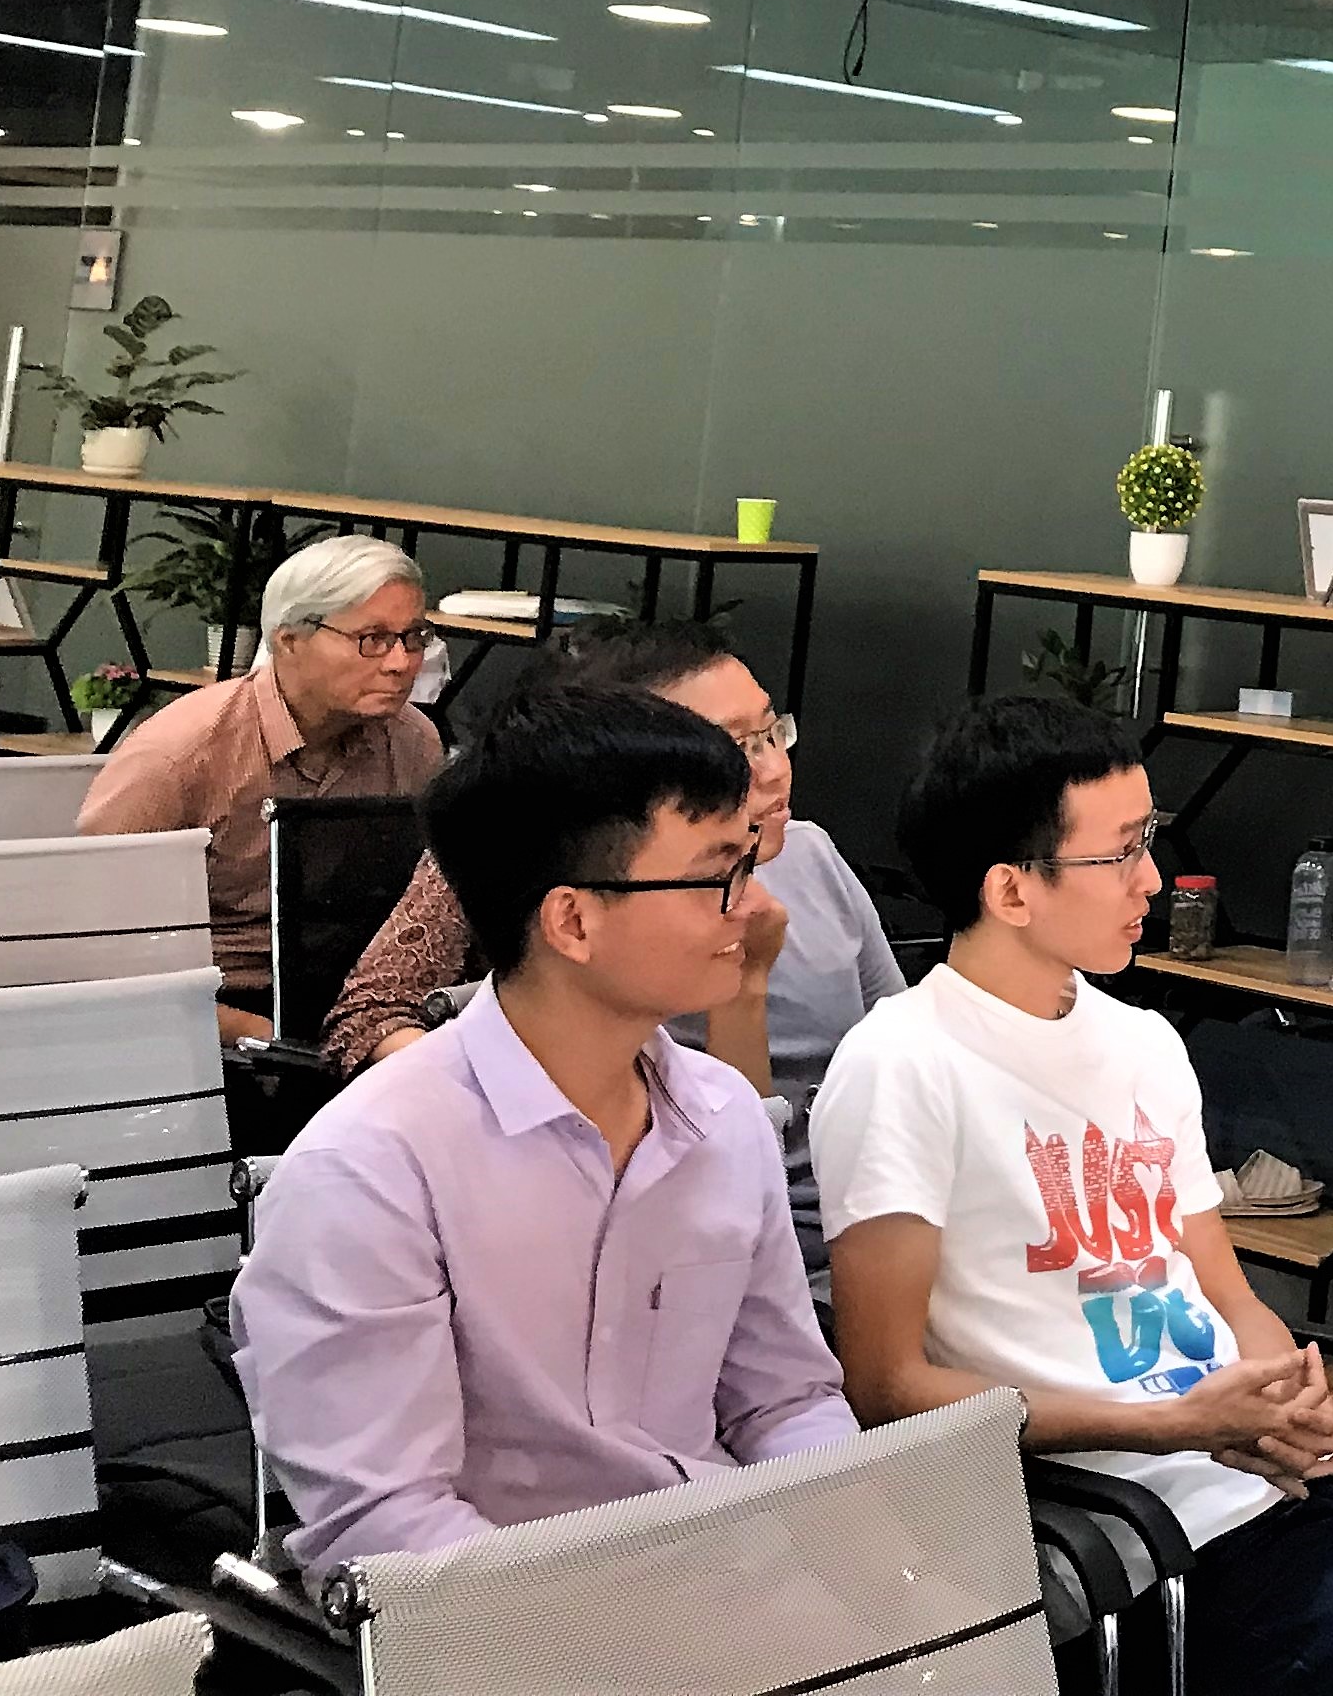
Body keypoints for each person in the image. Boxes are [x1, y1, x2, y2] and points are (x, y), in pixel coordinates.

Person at [815, 699, 1333, 1696]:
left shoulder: (1144, 1043)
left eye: (1149, 840)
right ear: (1011, 889)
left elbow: (1228, 1295)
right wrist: (1173, 1426)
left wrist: (1286, 1397)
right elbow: (885, 1387)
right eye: (1121, 852)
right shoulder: (903, 1064)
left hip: (1299, 1487)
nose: (1153, 880)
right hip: (1157, 1539)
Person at [231, 689, 855, 1573]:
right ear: (573, 920)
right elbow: (388, 1521)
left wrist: (852, 1552)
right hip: (505, 1611)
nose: (751, 910)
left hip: (728, 1572)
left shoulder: (722, 1117)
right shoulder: (371, 1169)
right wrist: (603, 1628)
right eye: (718, 877)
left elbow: (784, 1402)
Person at [320, 621, 903, 1266]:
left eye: (772, 734)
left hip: (859, 1207)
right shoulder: (555, 864)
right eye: (735, 747)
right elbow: (373, 1010)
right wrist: (493, 1107)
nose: (774, 769)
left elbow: (892, 1052)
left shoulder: (811, 856)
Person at [80, 533, 443, 1043]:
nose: (401, 662)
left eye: (414, 637)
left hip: (354, 997)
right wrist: (266, 1036)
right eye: (373, 639)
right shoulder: (180, 756)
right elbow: (90, 948)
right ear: (289, 640)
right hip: (207, 1009)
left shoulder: (412, 742)